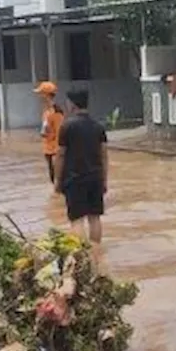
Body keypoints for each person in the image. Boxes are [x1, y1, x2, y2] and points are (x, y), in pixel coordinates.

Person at [53, 89, 108, 244]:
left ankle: (83, 256)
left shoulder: (67, 127)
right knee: (95, 218)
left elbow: (61, 155)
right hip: (96, 178)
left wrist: (57, 181)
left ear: (72, 104)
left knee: (77, 220)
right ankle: (96, 253)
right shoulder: (98, 126)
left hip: (74, 179)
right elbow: (104, 155)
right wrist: (104, 180)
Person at [35, 81, 64, 186]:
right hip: (48, 149)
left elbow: (59, 132)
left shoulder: (56, 112)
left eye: (41, 94)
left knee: (57, 181)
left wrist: (56, 154)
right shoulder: (46, 111)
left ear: (46, 95)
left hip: (54, 151)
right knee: (53, 180)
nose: (39, 97)